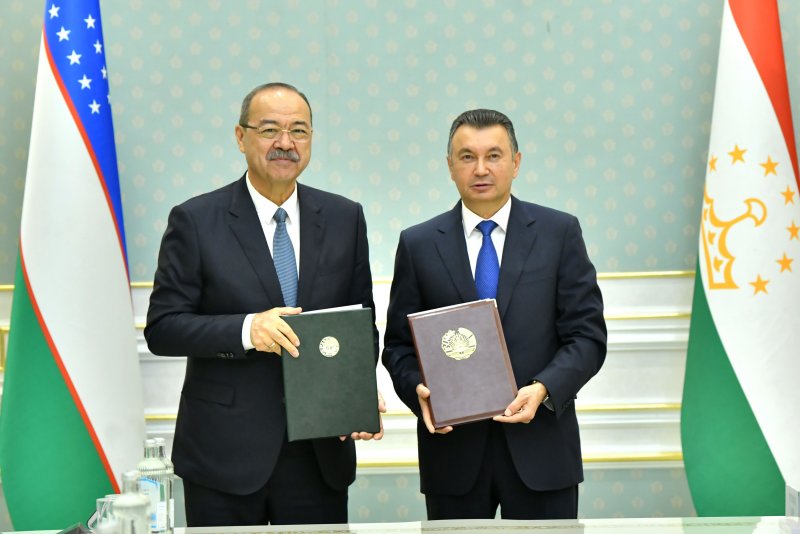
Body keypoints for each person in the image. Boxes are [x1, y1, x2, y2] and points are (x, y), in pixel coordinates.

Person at [145, 82, 383, 527]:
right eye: (270, 129)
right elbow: (163, 328)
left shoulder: (344, 218)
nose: (285, 143)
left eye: (299, 131)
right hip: (224, 456)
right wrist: (246, 330)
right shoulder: (195, 220)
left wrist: (354, 391)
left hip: (319, 453)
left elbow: (359, 325)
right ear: (241, 137)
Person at [382, 108, 607, 520]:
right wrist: (417, 391)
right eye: (467, 157)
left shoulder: (559, 233)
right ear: (450, 166)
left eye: (494, 155)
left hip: (542, 448)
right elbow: (398, 346)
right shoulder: (418, 244)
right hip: (453, 452)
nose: (481, 169)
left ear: (516, 163)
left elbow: (587, 337)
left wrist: (543, 389)